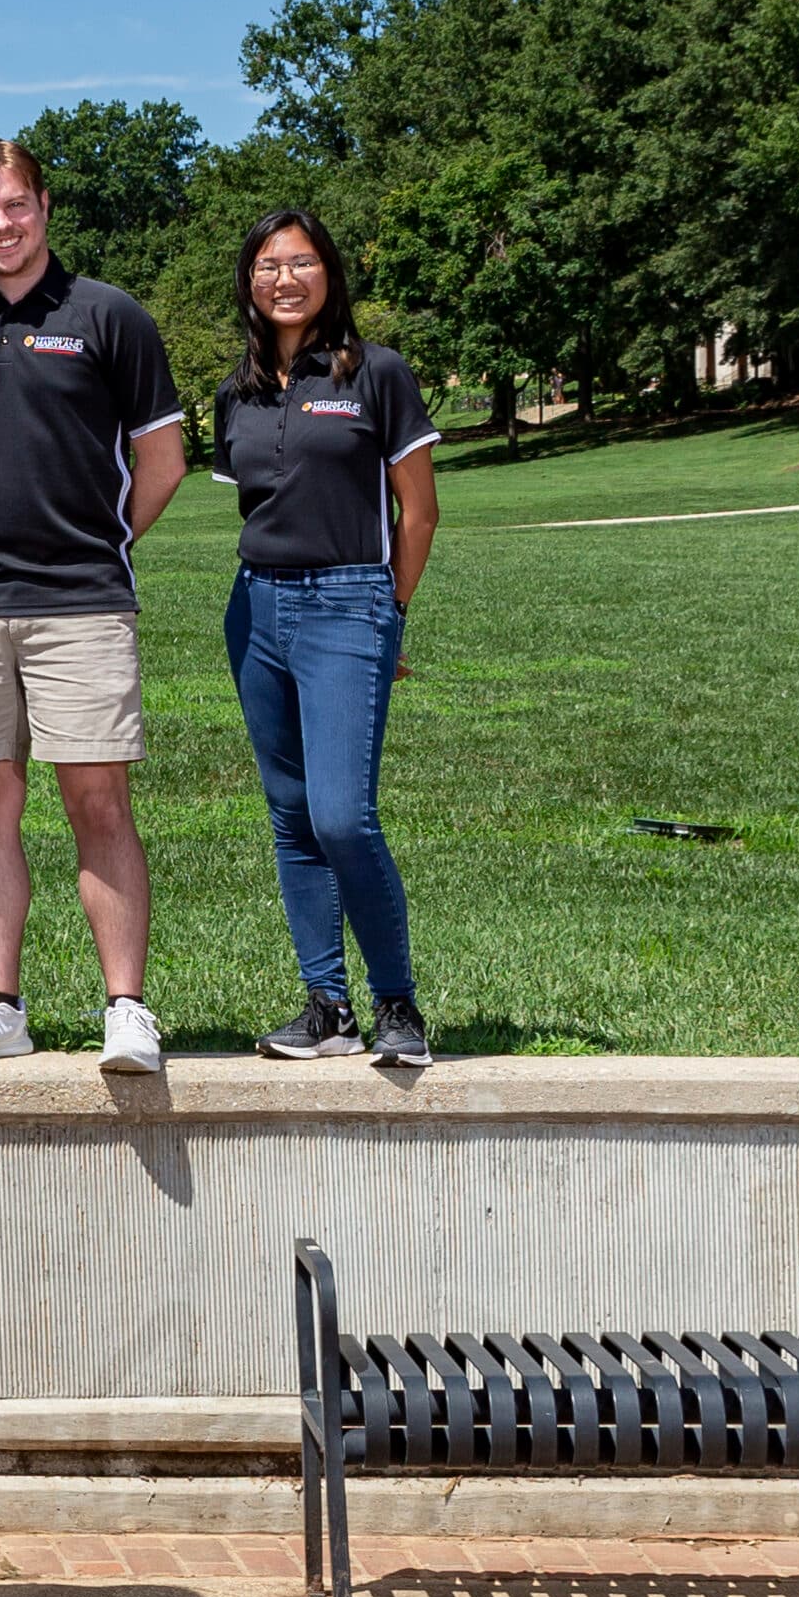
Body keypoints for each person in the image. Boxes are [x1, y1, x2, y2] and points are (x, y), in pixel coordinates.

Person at [0, 137, 185, 1077]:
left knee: (98, 801)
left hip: (84, 603)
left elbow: (162, 460)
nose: (0, 225)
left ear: (44, 205)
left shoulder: (110, 317)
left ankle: (127, 1009)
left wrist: (101, 541)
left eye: (14, 205)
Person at [212, 211, 441, 1069]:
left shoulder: (376, 373)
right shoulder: (237, 391)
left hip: (350, 601)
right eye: (267, 265)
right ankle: (326, 1007)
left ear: (329, 275)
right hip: (256, 609)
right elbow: (254, 502)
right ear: (249, 281)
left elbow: (417, 512)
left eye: (301, 262)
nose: (284, 278)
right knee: (294, 817)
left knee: (345, 814)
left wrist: (390, 613)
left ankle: (397, 1004)